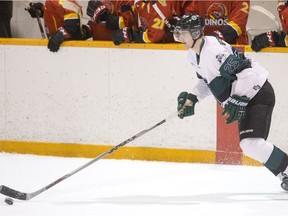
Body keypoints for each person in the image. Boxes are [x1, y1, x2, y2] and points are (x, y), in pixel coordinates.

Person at [173, 13, 288, 191]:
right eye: (177, 33)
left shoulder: (213, 52)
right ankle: (284, 173)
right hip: (247, 97)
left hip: (257, 93)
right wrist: (193, 97)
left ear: (196, 33)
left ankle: (285, 171)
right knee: (251, 144)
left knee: (250, 144)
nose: (179, 37)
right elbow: (206, 81)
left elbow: (247, 73)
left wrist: (236, 101)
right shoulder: (192, 54)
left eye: (183, 33)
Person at [111, 0, 192, 45]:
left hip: (166, 54)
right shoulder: (138, 2)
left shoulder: (160, 4)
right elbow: (135, 22)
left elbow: (155, 36)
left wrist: (131, 35)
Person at [27, 0, 91, 52]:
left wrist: (62, 34)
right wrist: (43, 11)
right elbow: (59, 13)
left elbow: (72, 21)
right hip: (63, 49)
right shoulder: (51, 2)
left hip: (67, 49)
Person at [185, 1, 250, 45]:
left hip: (234, 47)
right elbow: (191, 16)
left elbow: (238, 24)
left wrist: (215, 38)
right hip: (206, 48)